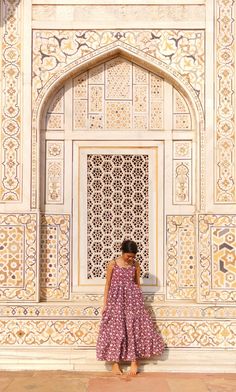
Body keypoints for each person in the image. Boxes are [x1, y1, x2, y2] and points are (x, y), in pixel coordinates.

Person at [96, 239, 165, 376]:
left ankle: (134, 361)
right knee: (116, 330)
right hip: (116, 300)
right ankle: (115, 363)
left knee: (134, 328)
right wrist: (105, 304)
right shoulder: (112, 264)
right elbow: (107, 285)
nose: (130, 258)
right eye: (128, 256)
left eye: (133, 256)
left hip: (133, 300)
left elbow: (137, 284)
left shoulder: (135, 265)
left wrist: (141, 303)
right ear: (122, 252)